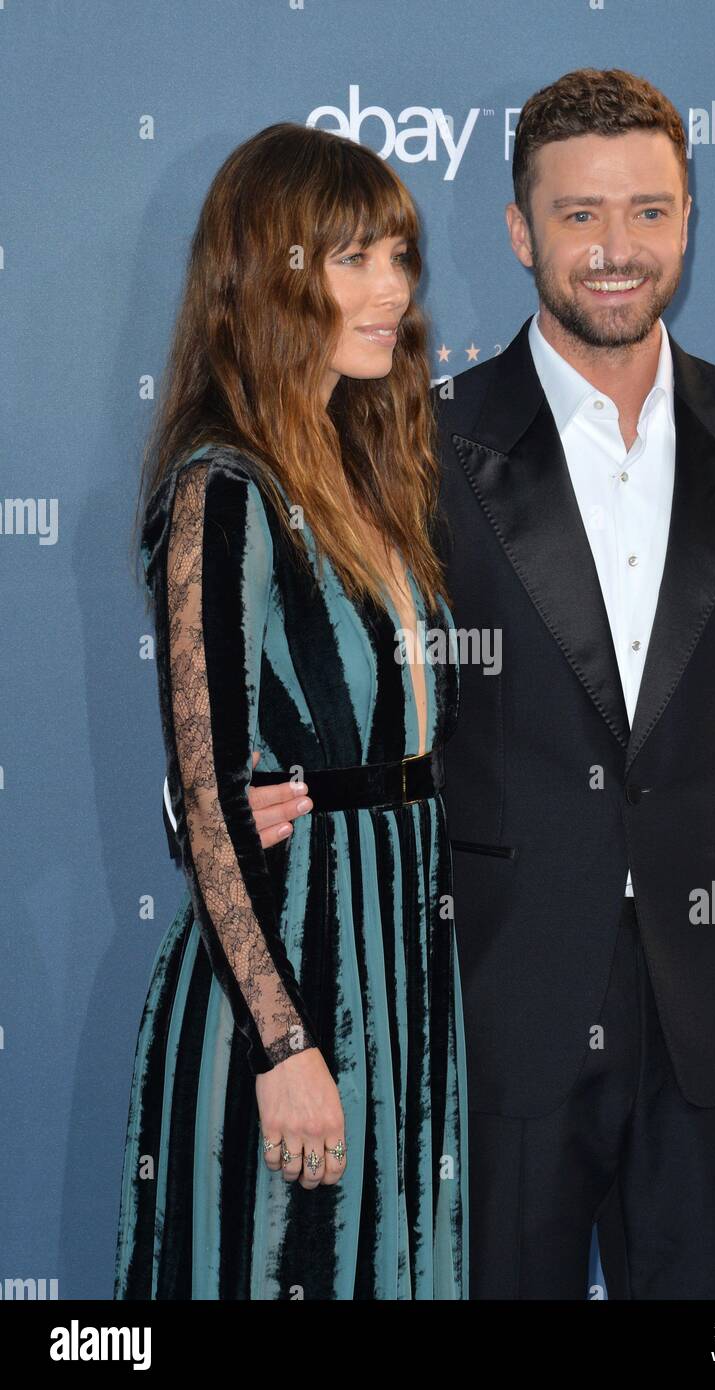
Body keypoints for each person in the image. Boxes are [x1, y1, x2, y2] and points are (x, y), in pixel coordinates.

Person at [227, 69, 715, 1300]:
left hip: (714, 1019)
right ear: (520, 233)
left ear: (687, 218)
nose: (615, 250)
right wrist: (212, 798)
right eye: (578, 216)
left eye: (646, 211)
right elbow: (324, 679)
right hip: (490, 1011)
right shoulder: (416, 437)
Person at [115, 122, 467, 1300]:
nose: (393, 290)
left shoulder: (367, 464)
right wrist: (283, 1043)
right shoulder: (225, 487)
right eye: (354, 259)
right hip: (298, 974)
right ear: (273, 275)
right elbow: (208, 788)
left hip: (401, 959)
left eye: (397, 257)